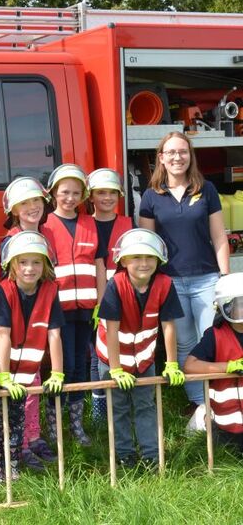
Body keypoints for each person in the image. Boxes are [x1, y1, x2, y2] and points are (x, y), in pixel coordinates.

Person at [138, 131, 229, 428]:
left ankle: (222, 400)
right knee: (184, 344)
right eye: (171, 152)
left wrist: (224, 278)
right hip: (170, 282)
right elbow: (147, 245)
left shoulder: (207, 189)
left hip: (206, 279)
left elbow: (219, 236)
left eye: (183, 152)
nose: (178, 157)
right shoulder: (152, 197)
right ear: (161, 158)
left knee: (212, 340)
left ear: (190, 156)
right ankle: (200, 406)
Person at [96, 228, 185, 467]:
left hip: (144, 358)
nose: (143, 263)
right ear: (123, 260)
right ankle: (124, 454)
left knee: (146, 405)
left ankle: (151, 456)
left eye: (149, 257)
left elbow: (168, 325)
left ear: (159, 260)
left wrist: (172, 363)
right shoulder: (115, 285)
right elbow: (112, 329)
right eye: (136, 257)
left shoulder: (165, 284)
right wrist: (115, 369)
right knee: (119, 407)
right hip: (112, 358)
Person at [0, 231, 64, 484]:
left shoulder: (51, 291)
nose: (29, 268)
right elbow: (2, 335)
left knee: (26, 411)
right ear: (11, 265)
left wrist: (57, 372)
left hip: (30, 368)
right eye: (23, 262)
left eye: (36, 262)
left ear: (45, 266)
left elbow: (54, 335)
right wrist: (3, 375)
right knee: (0, 418)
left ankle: (21, 455)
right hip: (5, 368)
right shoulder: (3, 291)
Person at [42, 164, 106, 446]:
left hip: (86, 309)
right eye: (65, 192)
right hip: (59, 311)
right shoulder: (44, 226)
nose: (70, 198)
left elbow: (100, 264)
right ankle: (54, 423)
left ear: (83, 196)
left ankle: (77, 426)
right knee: (62, 365)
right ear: (54, 193)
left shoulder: (90, 224)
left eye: (76, 193)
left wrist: (102, 302)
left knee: (82, 363)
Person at [0, 177, 56, 464]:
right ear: (14, 210)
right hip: (17, 326)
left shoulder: (48, 235)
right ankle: (19, 443)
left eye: (36, 201)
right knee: (19, 387)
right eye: (25, 203)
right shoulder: (9, 242)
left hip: (41, 319)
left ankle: (34, 437)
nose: (32, 207)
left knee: (34, 382)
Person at [87, 168, 133, 423]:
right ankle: (98, 411)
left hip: (121, 299)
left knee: (120, 349)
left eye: (112, 193)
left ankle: (123, 404)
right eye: (101, 192)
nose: (107, 197)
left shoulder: (128, 224)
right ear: (91, 196)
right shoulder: (83, 224)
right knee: (96, 355)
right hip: (88, 301)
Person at [185, 273, 243, 451]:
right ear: (227, 306)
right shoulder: (215, 336)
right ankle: (202, 418)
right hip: (227, 425)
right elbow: (189, 365)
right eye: (241, 303)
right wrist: (228, 367)